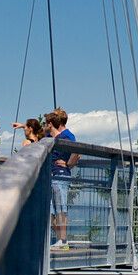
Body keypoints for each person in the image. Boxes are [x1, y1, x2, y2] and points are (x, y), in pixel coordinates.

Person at [46, 107, 79, 249]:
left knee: (60, 208)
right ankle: (60, 240)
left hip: (60, 175)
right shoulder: (56, 136)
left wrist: (68, 164)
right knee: (53, 210)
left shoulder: (67, 136)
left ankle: (63, 240)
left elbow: (77, 152)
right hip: (53, 175)